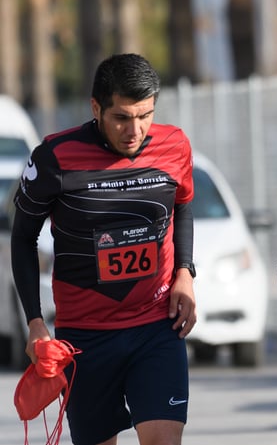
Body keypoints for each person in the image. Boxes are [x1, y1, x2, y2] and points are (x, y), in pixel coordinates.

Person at [11, 53, 197, 445]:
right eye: (122, 117)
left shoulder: (175, 145)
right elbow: (22, 237)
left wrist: (184, 272)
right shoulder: (54, 158)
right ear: (96, 108)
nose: (136, 129)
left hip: (155, 328)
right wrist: (34, 322)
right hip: (86, 337)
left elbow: (182, 204)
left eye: (145, 115)